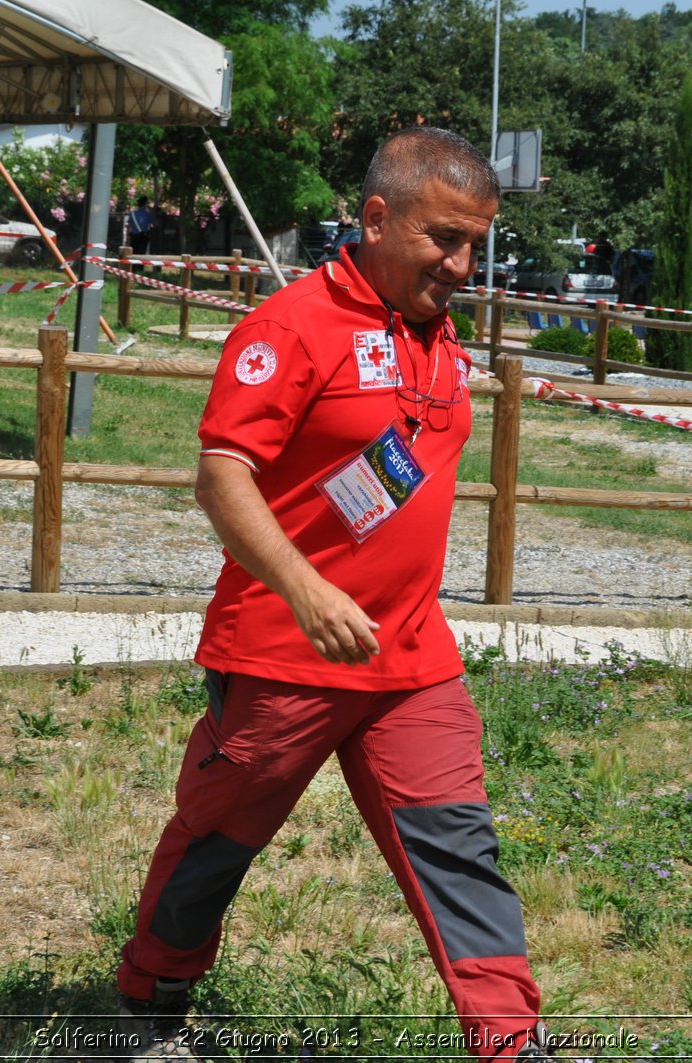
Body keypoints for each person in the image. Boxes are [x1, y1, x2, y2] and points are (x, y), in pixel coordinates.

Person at [115, 128, 558, 1062]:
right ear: (375, 218)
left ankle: (514, 1043)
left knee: (458, 848)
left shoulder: (440, 337)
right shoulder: (293, 326)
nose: (463, 263)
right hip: (283, 649)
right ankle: (148, 1003)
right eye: (444, 237)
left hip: (412, 659)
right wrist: (309, 592)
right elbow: (222, 477)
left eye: (477, 242)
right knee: (216, 842)